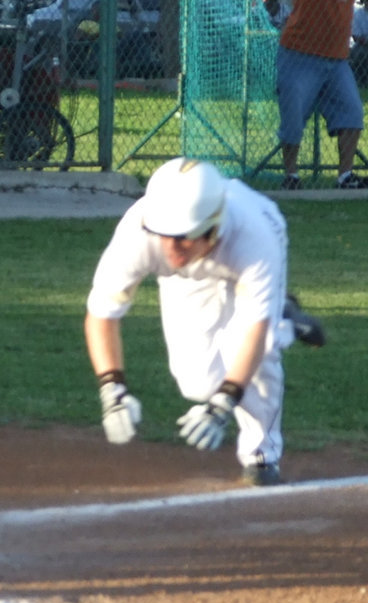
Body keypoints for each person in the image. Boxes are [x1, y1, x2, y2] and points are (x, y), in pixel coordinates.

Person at [83, 157, 325, 487]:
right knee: (197, 383)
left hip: (243, 262)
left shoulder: (254, 237)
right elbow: (101, 314)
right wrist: (113, 391)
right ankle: (280, 312)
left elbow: (255, 331)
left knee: (263, 346)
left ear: (213, 226)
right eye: (163, 235)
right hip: (188, 277)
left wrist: (224, 403)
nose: (170, 247)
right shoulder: (140, 233)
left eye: (183, 236)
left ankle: (261, 457)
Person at [275, 0, 368, 189]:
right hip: (299, 52)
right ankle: (291, 176)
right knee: (293, 117)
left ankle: (345, 177)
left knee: (352, 112)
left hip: (337, 58)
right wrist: (277, 15)